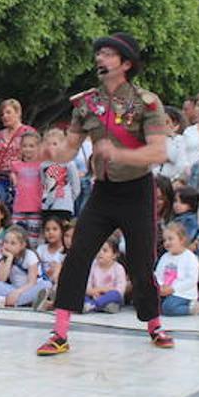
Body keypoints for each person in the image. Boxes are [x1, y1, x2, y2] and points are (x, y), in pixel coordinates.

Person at [38, 32, 174, 355]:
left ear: (126, 64)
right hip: (102, 192)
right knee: (77, 256)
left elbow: (157, 152)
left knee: (141, 265)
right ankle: (59, 333)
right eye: (100, 53)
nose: (101, 58)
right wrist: (50, 153)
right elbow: (71, 148)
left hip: (138, 190)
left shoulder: (147, 102)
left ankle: (154, 323)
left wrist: (119, 154)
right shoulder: (86, 103)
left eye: (109, 54)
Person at [0, 226, 51, 309]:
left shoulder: (30, 255)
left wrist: (17, 293)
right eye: (6, 242)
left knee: (47, 284)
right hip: (13, 289)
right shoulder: (2, 255)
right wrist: (9, 258)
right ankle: (27, 302)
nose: (8, 246)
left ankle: (5, 301)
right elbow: (0, 279)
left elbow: (32, 282)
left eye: (13, 243)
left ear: (22, 245)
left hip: (29, 289)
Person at [0, 99, 35, 201]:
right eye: (2, 114)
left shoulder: (28, 132)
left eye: (8, 112)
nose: (4, 116)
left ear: (18, 113)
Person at [154, 222, 199, 316]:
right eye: (165, 240)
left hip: (183, 293)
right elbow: (158, 274)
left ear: (182, 240)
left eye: (170, 239)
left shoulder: (190, 257)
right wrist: (160, 286)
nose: (167, 242)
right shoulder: (165, 257)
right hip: (165, 291)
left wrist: (173, 289)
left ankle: (190, 308)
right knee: (149, 304)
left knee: (168, 307)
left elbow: (191, 280)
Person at [82, 238, 127, 314]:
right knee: (82, 294)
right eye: (98, 249)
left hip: (110, 296)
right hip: (94, 294)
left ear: (115, 255)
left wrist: (105, 290)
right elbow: (87, 283)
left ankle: (92, 305)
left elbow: (120, 290)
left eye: (105, 251)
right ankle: (98, 306)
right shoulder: (93, 265)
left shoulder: (118, 268)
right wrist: (92, 291)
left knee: (115, 295)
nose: (100, 253)